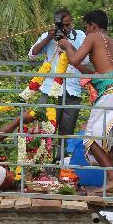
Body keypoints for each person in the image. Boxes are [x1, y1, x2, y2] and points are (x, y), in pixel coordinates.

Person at [57, 9, 113, 194]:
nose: (87, 30)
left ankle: (112, 179)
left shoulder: (93, 36)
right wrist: (71, 52)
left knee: (89, 138)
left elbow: (75, 58)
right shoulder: (112, 42)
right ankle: (112, 181)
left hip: (112, 92)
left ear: (92, 25)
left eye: (87, 27)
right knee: (105, 140)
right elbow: (90, 70)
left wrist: (67, 46)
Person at [28, 8, 87, 142]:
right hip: (49, 90)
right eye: (61, 25)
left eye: (67, 24)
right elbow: (32, 54)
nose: (64, 28)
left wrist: (67, 44)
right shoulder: (47, 36)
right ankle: (45, 160)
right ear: (55, 23)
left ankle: (62, 159)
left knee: (67, 132)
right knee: (45, 130)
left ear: (71, 22)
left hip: (72, 90)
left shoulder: (80, 36)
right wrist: (49, 38)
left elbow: (85, 59)